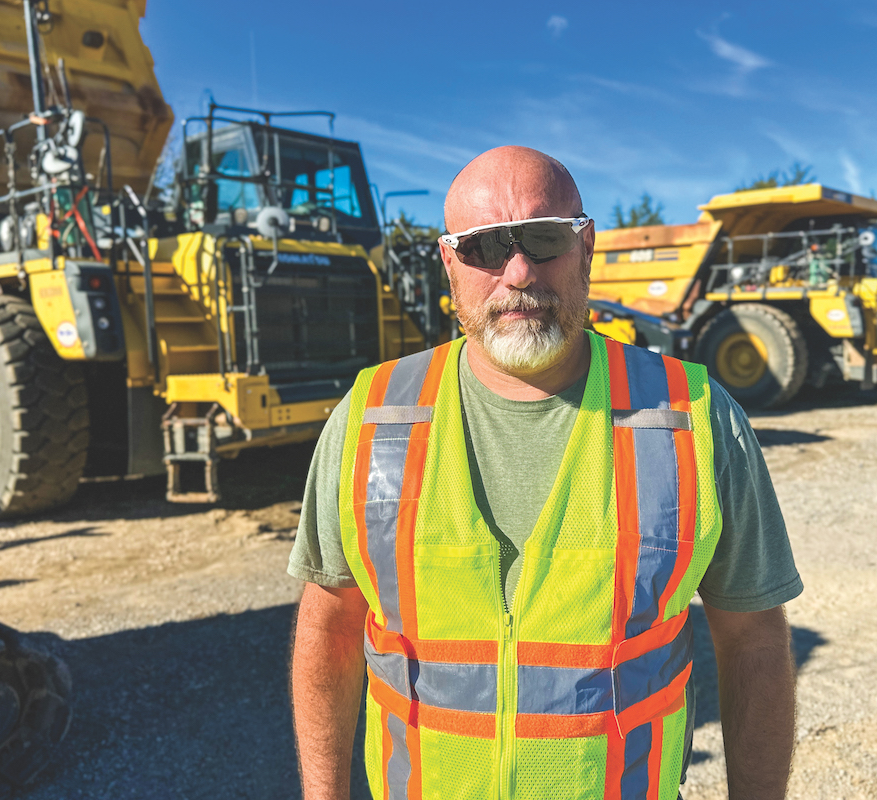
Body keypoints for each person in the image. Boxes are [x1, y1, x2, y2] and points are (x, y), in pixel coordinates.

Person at [288, 146, 802, 800]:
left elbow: (754, 642)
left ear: (586, 248)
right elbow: (328, 633)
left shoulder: (694, 416)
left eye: (544, 239)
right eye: (485, 248)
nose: (520, 271)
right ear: (449, 264)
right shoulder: (370, 418)